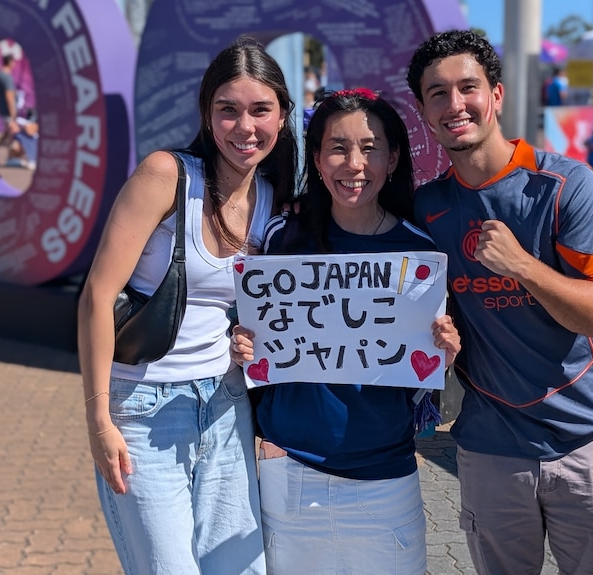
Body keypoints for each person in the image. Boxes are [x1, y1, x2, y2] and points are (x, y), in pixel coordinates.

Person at [406, 30, 593, 575]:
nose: (454, 104)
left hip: (587, 443)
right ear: (422, 110)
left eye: (468, 87)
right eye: (437, 93)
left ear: (497, 96)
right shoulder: (428, 206)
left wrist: (522, 265)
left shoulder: (566, 185)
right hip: (489, 449)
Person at [77, 35, 298, 575]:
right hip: (144, 410)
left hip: (226, 402)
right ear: (207, 114)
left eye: (260, 110)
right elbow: (98, 296)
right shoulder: (166, 175)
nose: (245, 127)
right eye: (228, 110)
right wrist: (98, 419)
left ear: (283, 115)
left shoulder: (276, 194)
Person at [230, 88, 461, 575]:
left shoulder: (419, 254)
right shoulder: (281, 238)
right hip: (288, 476)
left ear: (394, 157)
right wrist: (242, 343)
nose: (354, 163)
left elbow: (421, 380)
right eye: (337, 147)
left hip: (385, 480)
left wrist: (446, 351)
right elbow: (258, 338)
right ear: (316, 158)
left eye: (371, 147)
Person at [0, 55, 20, 163]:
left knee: (7, 134)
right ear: (10, 62)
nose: (15, 64)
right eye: (13, 62)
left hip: (2, 109)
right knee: (14, 132)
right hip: (7, 111)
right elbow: (9, 96)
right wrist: (13, 113)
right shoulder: (6, 77)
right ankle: (11, 158)